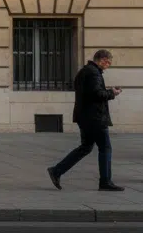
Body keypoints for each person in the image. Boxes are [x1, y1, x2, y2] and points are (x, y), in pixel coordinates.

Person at [48, 49, 123, 191]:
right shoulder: (94, 73)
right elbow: (96, 94)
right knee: (105, 148)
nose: (108, 66)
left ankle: (57, 171)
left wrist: (107, 91)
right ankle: (105, 181)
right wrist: (112, 93)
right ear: (102, 60)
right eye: (108, 63)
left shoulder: (85, 72)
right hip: (95, 118)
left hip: (85, 117)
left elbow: (90, 93)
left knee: (86, 147)